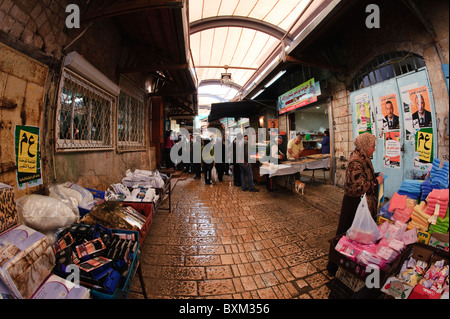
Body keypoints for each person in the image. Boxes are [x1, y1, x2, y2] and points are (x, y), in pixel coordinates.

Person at [327, 132, 384, 275]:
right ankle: (334, 266)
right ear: (365, 146)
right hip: (354, 205)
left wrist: (374, 176)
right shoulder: (356, 161)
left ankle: (353, 264)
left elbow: (363, 176)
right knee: (345, 235)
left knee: (357, 236)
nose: (374, 149)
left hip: (360, 203)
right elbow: (357, 187)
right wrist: (376, 182)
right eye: (373, 146)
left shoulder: (363, 158)